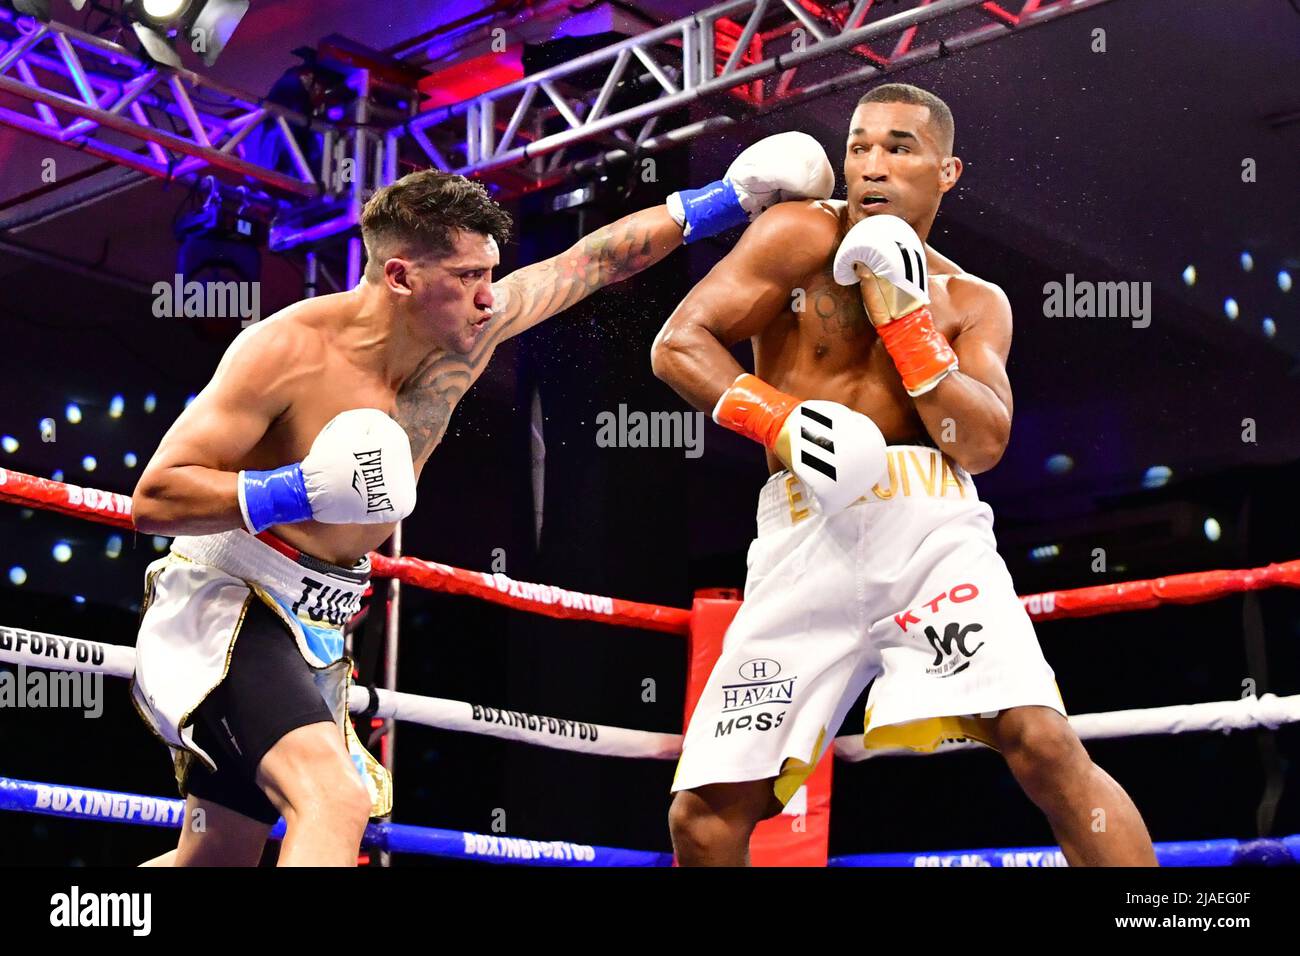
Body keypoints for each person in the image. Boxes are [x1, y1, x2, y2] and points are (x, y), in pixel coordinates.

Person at [130, 132, 836, 866]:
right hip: (231, 599)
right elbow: (157, 496)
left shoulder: (472, 332)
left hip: (320, 617)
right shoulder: (287, 350)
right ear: (400, 276)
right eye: (468, 276)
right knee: (333, 800)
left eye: (491, 273)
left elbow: (586, 263)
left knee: (214, 859)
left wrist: (728, 199)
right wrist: (298, 489)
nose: (489, 296)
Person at [652, 84, 1157, 867]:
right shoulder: (798, 235)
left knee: (1043, 743)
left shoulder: (972, 300)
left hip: (929, 534)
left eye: (899, 147)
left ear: (946, 171)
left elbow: (983, 443)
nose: (872, 165)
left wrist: (907, 321)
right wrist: (775, 419)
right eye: (858, 147)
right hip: (802, 531)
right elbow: (680, 343)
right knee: (704, 816)